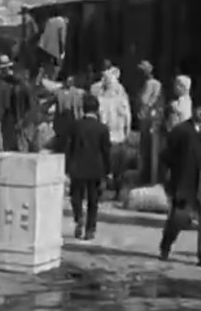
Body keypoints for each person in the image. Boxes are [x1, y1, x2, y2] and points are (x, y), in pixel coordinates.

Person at [159, 92, 201, 267]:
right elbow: (166, 155)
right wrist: (169, 178)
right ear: (193, 110)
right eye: (200, 109)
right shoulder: (180, 131)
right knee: (179, 218)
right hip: (185, 182)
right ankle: (166, 245)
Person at [66, 94, 111, 240]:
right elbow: (106, 151)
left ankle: (79, 217)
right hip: (96, 169)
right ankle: (90, 229)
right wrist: (108, 171)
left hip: (77, 167)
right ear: (97, 110)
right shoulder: (102, 128)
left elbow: (69, 148)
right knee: (93, 200)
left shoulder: (75, 126)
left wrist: (67, 167)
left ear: (83, 109)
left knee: (76, 196)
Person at [96, 68, 131, 199]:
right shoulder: (120, 100)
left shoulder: (106, 100)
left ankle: (109, 190)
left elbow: (127, 118)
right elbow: (128, 118)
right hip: (115, 138)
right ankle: (113, 190)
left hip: (113, 138)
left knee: (110, 167)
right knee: (113, 168)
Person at [137, 60, 164, 184]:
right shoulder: (146, 84)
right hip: (145, 119)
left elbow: (151, 101)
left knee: (151, 150)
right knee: (144, 150)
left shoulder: (155, 84)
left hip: (151, 120)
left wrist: (148, 112)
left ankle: (152, 179)